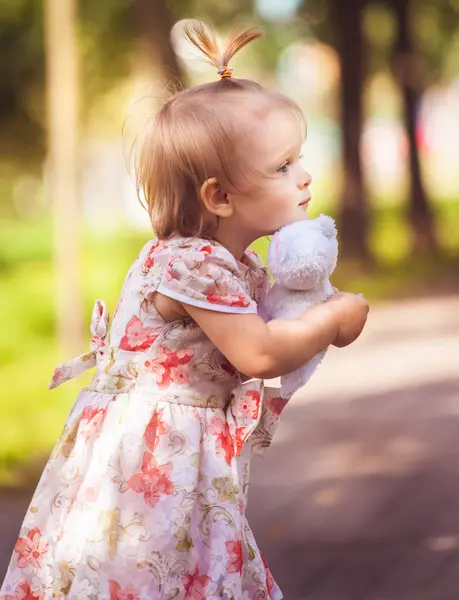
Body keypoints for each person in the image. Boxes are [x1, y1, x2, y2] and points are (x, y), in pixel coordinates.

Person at [0, 20, 368, 600]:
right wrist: (334, 318)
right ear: (220, 196)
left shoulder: (229, 264)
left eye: (299, 159)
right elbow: (258, 352)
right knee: (148, 576)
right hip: (147, 474)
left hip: (180, 465)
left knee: (194, 574)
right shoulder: (190, 264)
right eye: (282, 166)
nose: (305, 176)